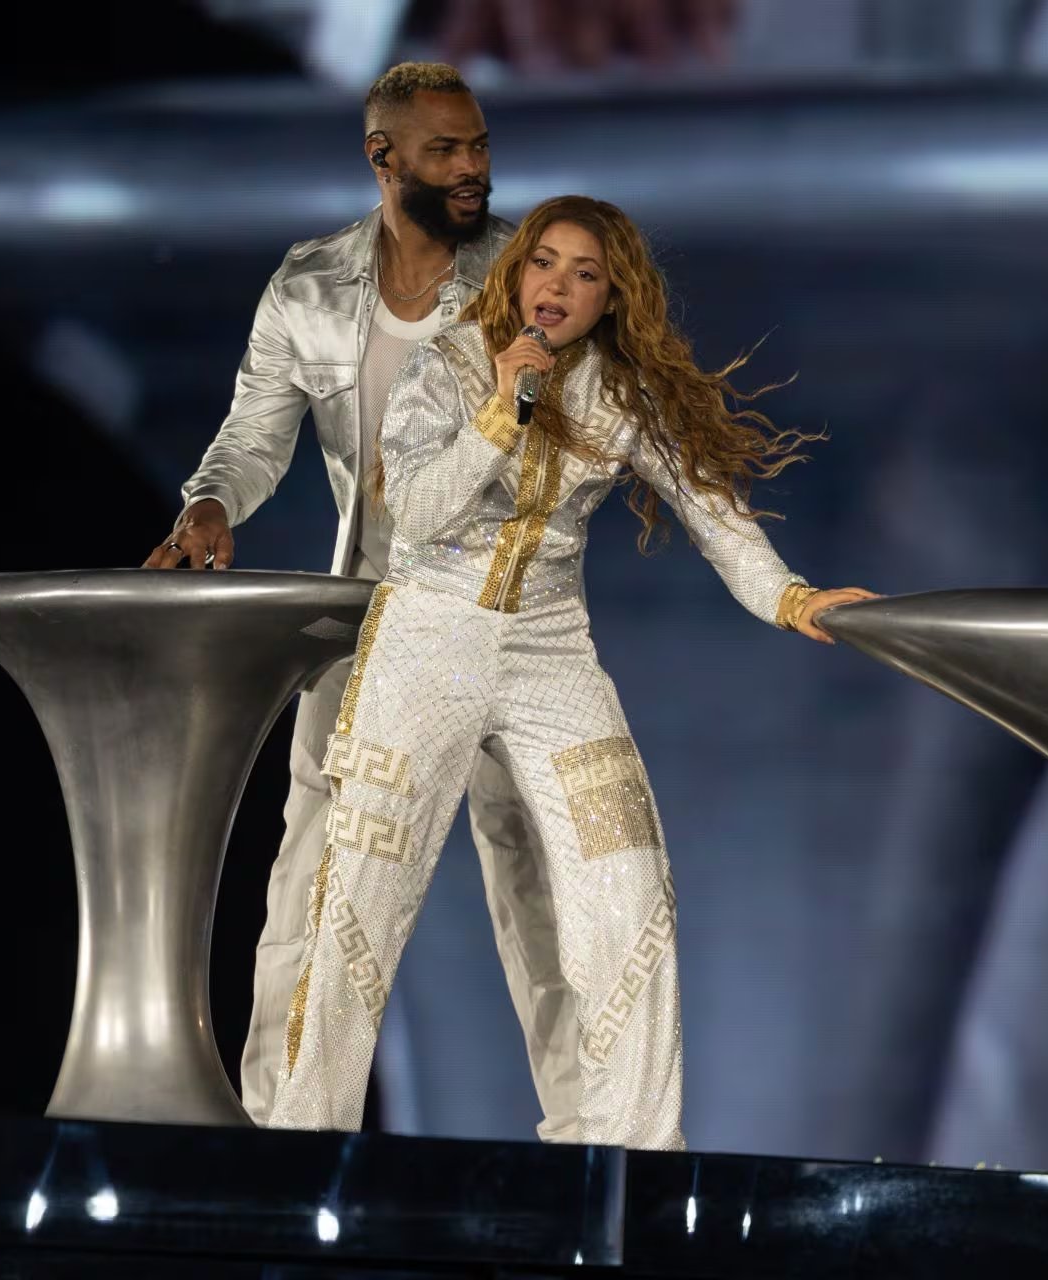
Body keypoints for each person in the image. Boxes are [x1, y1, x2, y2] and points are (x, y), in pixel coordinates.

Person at [265, 194, 875, 1144]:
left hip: (550, 651)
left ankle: (635, 1156)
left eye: (585, 274)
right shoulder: (451, 365)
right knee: (362, 897)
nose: (558, 284)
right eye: (545, 261)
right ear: (516, 274)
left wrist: (794, 600)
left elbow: (716, 515)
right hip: (429, 638)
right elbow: (419, 513)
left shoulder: (622, 396)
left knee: (627, 881)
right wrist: (503, 411)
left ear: (610, 301)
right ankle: (305, 1143)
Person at [140, 62, 581, 1130]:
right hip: (364, 624)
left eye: (479, 146)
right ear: (384, 158)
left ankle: (594, 1136)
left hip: (501, 617)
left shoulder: (534, 276)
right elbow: (254, 433)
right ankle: (283, 1134)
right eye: (447, 150)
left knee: (540, 879)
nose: (474, 168)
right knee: (314, 875)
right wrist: (208, 503)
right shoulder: (309, 286)